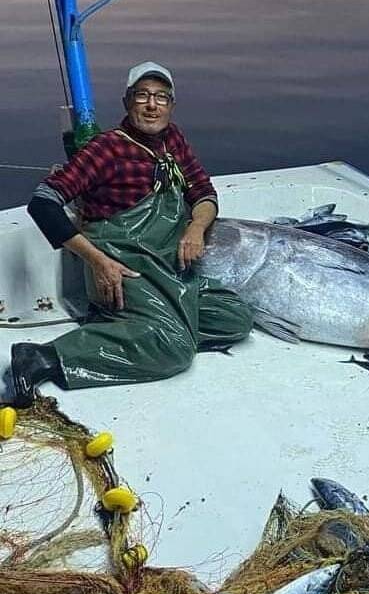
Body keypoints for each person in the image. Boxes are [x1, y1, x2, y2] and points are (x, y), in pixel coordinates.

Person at [7, 62, 253, 407]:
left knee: (235, 317)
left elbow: (203, 193)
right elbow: (43, 202)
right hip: (123, 269)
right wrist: (97, 261)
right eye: (142, 96)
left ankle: (129, 327)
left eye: (161, 97)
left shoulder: (173, 140)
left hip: (167, 266)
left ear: (171, 105)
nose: (152, 105)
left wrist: (196, 228)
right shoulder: (106, 149)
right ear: (127, 102)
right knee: (175, 349)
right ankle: (43, 357)